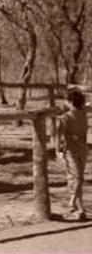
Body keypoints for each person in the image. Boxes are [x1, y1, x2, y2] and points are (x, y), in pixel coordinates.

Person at [57, 87, 88, 221]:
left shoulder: (65, 118)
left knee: (76, 177)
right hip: (80, 149)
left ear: (69, 102)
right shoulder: (83, 114)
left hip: (73, 150)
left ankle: (72, 201)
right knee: (77, 177)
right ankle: (80, 209)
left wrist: (58, 150)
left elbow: (58, 135)